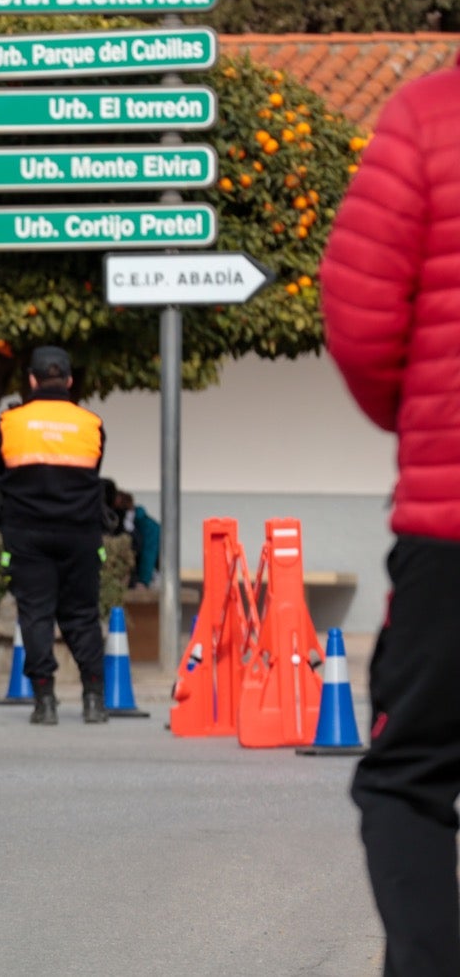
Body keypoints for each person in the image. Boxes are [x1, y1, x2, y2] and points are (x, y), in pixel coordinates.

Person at [319, 55, 460, 977]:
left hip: (452, 525)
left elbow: (363, 319)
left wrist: (419, 419)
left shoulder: (428, 116)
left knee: (409, 776)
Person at [0, 346, 108, 726]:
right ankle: (93, 698)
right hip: (81, 533)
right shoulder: (91, 423)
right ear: (70, 381)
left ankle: (45, 701)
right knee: (83, 615)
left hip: (27, 533)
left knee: (36, 616)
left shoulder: (9, 424)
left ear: (32, 380)